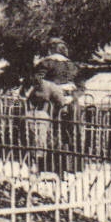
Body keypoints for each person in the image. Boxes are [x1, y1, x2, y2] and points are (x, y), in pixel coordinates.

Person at [26, 37, 80, 173]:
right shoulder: (73, 65)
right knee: (68, 132)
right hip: (70, 102)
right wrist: (72, 96)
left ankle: (47, 166)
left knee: (50, 132)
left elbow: (38, 81)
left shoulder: (46, 63)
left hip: (51, 102)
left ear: (50, 49)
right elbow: (81, 86)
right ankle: (70, 166)